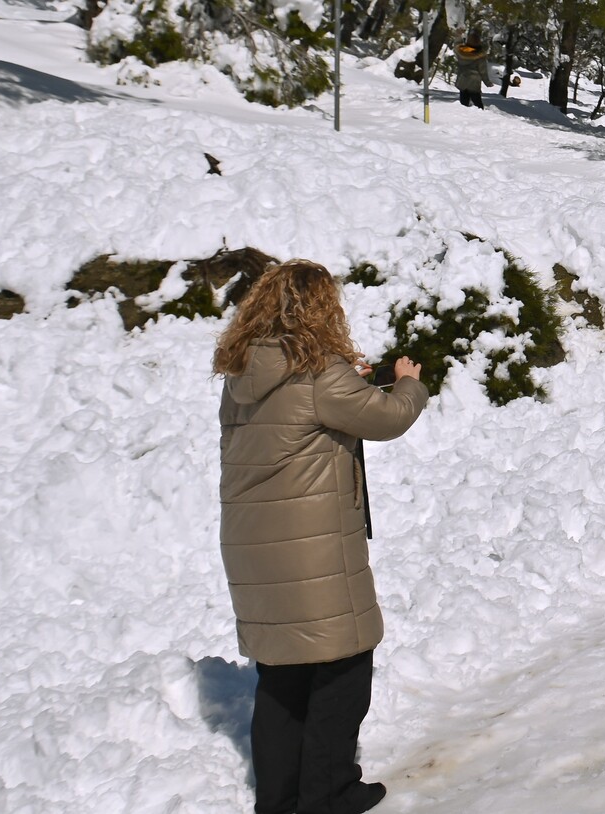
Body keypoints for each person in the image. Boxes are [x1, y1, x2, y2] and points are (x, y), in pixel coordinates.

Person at [213, 260, 429, 814]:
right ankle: (329, 795)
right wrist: (408, 381)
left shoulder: (243, 374)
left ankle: (281, 801)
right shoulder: (320, 373)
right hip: (311, 548)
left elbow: (297, 424)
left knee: (282, 680)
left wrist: (344, 377)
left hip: (251, 545)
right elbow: (386, 418)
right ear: (321, 308)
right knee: (345, 666)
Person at [454, 28, 494, 109]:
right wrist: (487, 82)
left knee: (463, 103)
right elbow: (483, 71)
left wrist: (458, 35)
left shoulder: (461, 51)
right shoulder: (480, 56)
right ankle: (480, 115)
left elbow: (457, 45)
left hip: (462, 80)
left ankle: (463, 116)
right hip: (474, 83)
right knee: (477, 103)